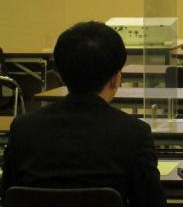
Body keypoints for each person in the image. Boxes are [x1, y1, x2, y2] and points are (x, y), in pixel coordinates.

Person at [0, 21, 165, 207]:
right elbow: (151, 201)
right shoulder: (134, 133)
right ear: (116, 78)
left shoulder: (23, 128)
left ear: (60, 76)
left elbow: (8, 195)